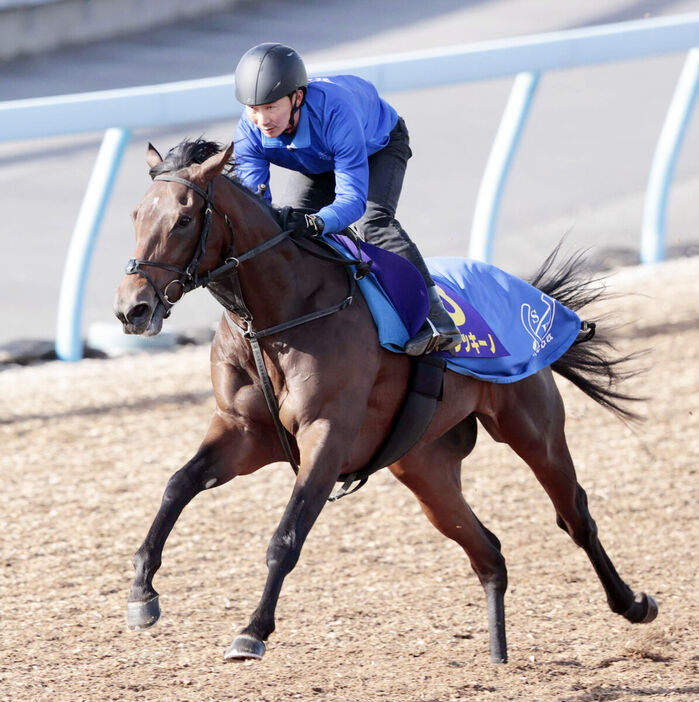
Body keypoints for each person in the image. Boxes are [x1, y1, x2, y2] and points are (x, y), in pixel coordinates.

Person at [232, 42, 461, 355]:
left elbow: (353, 201)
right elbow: (258, 209)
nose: (262, 120)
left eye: (271, 107)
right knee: (288, 235)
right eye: (253, 109)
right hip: (317, 160)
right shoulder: (249, 131)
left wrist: (317, 221)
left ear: (297, 97)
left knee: (374, 223)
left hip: (376, 147)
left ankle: (436, 319)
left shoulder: (336, 110)